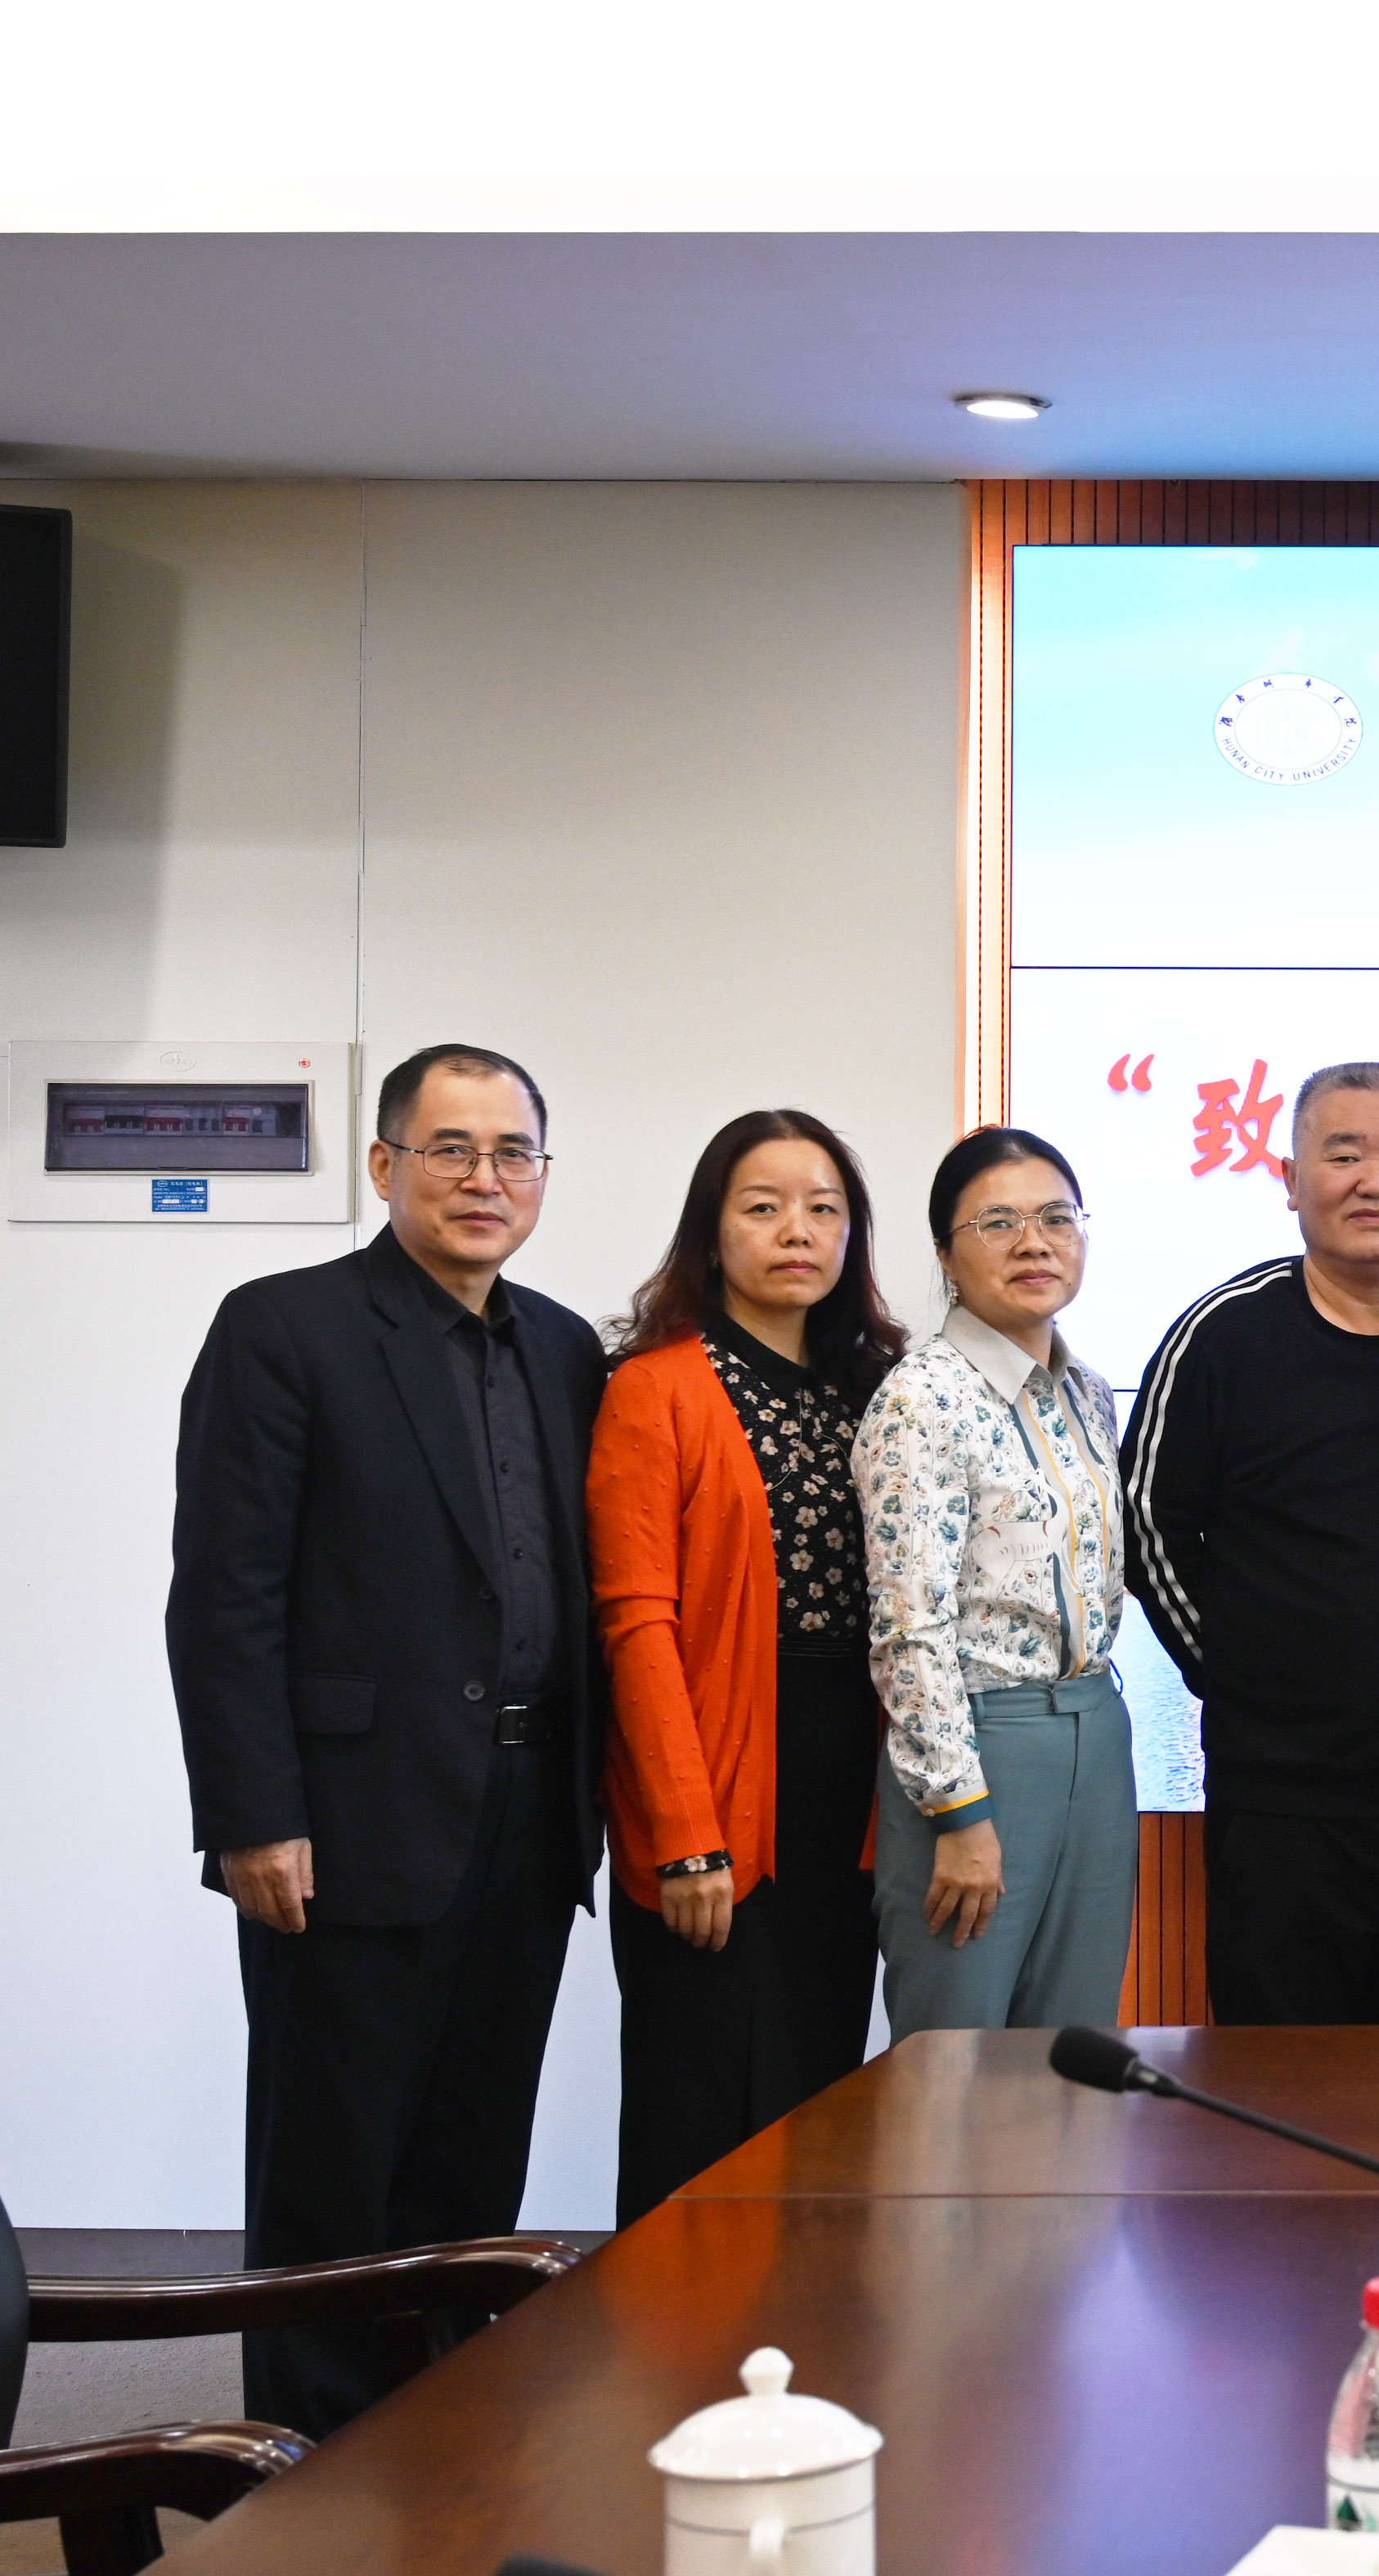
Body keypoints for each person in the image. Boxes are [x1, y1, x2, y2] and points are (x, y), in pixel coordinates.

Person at [166, 1042, 600, 2434]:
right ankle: (303, 2473)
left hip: (528, 1817)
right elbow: (225, 1594)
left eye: (513, 1152)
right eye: (450, 1149)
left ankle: (438, 2447)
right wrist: (251, 1815)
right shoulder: (285, 1328)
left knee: (473, 2168)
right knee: (331, 2179)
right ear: (384, 1166)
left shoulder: (564, 1349)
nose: (485, 1178)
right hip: (347, 1825)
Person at [1126, 1063, 1379, 2027]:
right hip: (1281, 1804)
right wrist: (1238, 1675)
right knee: (1278, 2083)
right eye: (1343, 1155)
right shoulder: (1223, 1335)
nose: (1376, 1181)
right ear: (1290, 1181)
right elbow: (1146, 1520)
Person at [591, 1109, 903, 2224]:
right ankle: (674, 2331)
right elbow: (637, 1626)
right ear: (711, 1231)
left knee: (816, 2101)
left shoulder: (880, 1387)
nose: (796, 1232)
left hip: (847, 1794)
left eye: (824, 1209)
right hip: (716, 1787)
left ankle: (798, 2329)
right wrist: (684, 1837)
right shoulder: (656, 1387)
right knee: (698, 2105)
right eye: (763, 1208)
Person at [854, 1126, 1135, 2034]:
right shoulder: (921, 1399)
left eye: (1057, 1218)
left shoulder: (1088, 1393)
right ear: (946, 1254)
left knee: (1071, 2046)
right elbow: (910, 1626)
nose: (1034, 1243)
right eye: (999, 1223)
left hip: (1096, 1729)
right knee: (957, 2057)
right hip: (983, 1750)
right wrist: (958, 1809)